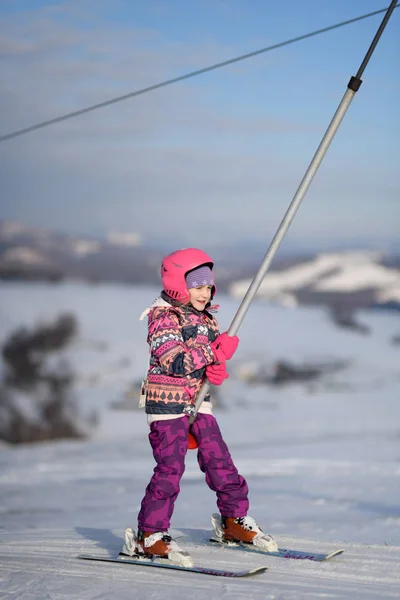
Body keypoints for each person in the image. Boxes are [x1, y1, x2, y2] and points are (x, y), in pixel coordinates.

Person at [123, 248, 277, 564]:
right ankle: (149, 536)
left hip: (197, 402)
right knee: (170, 469)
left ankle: (233, 521)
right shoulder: (163, 317)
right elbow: (175, 362)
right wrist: (212, 353)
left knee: (219, 459)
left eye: (209, 286)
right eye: (198, 285)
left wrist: (216, 368)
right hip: (167, 404)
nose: (205, 293)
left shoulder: (208, 320)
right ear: (179, 283)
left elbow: (205, 365)